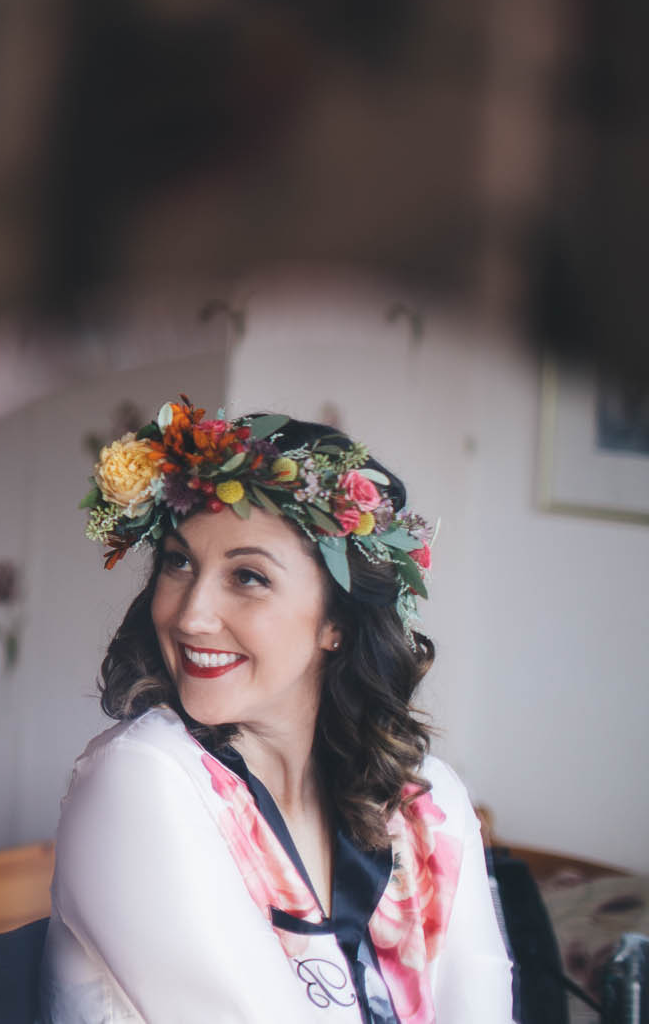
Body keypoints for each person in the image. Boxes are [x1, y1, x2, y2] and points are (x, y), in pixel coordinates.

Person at [42, 399, 512, 1023]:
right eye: (179, 562)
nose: (191, 616)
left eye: (249, 578)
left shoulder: (429, 809)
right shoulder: (140, 781)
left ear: (336, 624)